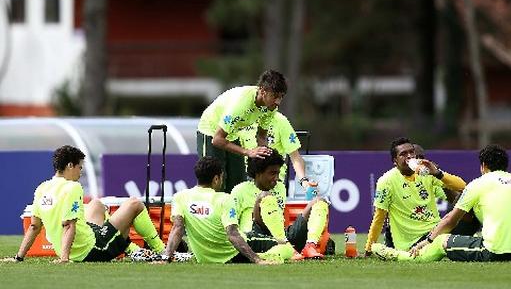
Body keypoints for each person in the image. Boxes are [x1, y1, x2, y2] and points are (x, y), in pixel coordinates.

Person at [2, 145, 165, 263]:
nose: (80, 173)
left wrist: (19, 257)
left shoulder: (41, 188)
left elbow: (34, 227)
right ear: (69, 166)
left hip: (81, 242)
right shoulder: (73, 187)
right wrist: (64, 259)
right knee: (134, 204)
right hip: (92, 250)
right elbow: (69, 225)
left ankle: (131, 250)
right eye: (79, 168)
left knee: (96, 205)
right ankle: (162, 251)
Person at [398, 144, 511, 262]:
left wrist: (427, 241)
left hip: (497, 252)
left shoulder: (478, 183)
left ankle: (408, 257)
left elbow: (450, 220)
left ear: (483, 166)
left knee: (442, 241)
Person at [162, 156, 293, 264]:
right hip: (235, 254)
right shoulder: (224, 199)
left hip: (204, 258)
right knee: (287, 248)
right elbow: (233, 235)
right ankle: (266, 255)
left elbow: (177, 229)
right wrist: (256, 260)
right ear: (216, 178)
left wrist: (165, 258)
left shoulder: (180, 197)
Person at [365, 137, 467, 255]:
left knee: (470, 203)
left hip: (436, 231)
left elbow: (462, 187)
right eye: (403, 154)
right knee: (448, 242)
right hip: (414, 241)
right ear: (395, 161)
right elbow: (379, 218)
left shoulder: (426, 173)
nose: (409, 156)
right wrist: (368, 250)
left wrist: (437, 173)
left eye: (411, 152)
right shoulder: (386, 181)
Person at [197, 69, 287, 192]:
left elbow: (261, 137)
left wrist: (267, 160)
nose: (278, 102)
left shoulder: (270, 107)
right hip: (211, 132)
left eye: (281, 97)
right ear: (262, 91)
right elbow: (217, 140)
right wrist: (248, 152)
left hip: (232, 133)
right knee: (215, 184)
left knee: (237, 183)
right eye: (275, 96)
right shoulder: (241, 105)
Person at [230, 150, 329, 260]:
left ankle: (310, 245)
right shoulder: (240, 190)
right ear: (258, 173)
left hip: (281, 236)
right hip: (255, 237)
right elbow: (232, 225)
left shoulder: (280, 188)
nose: (276, 178)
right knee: (265, 196)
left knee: (319, 201)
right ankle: (285, 247)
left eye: (278, 173)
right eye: (272, 173)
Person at [237, 111, 316, 192]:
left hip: (275, 183)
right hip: (249, 182)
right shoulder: (242, 118)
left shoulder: (280, 120)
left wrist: (304, 181)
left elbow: (295, 157)